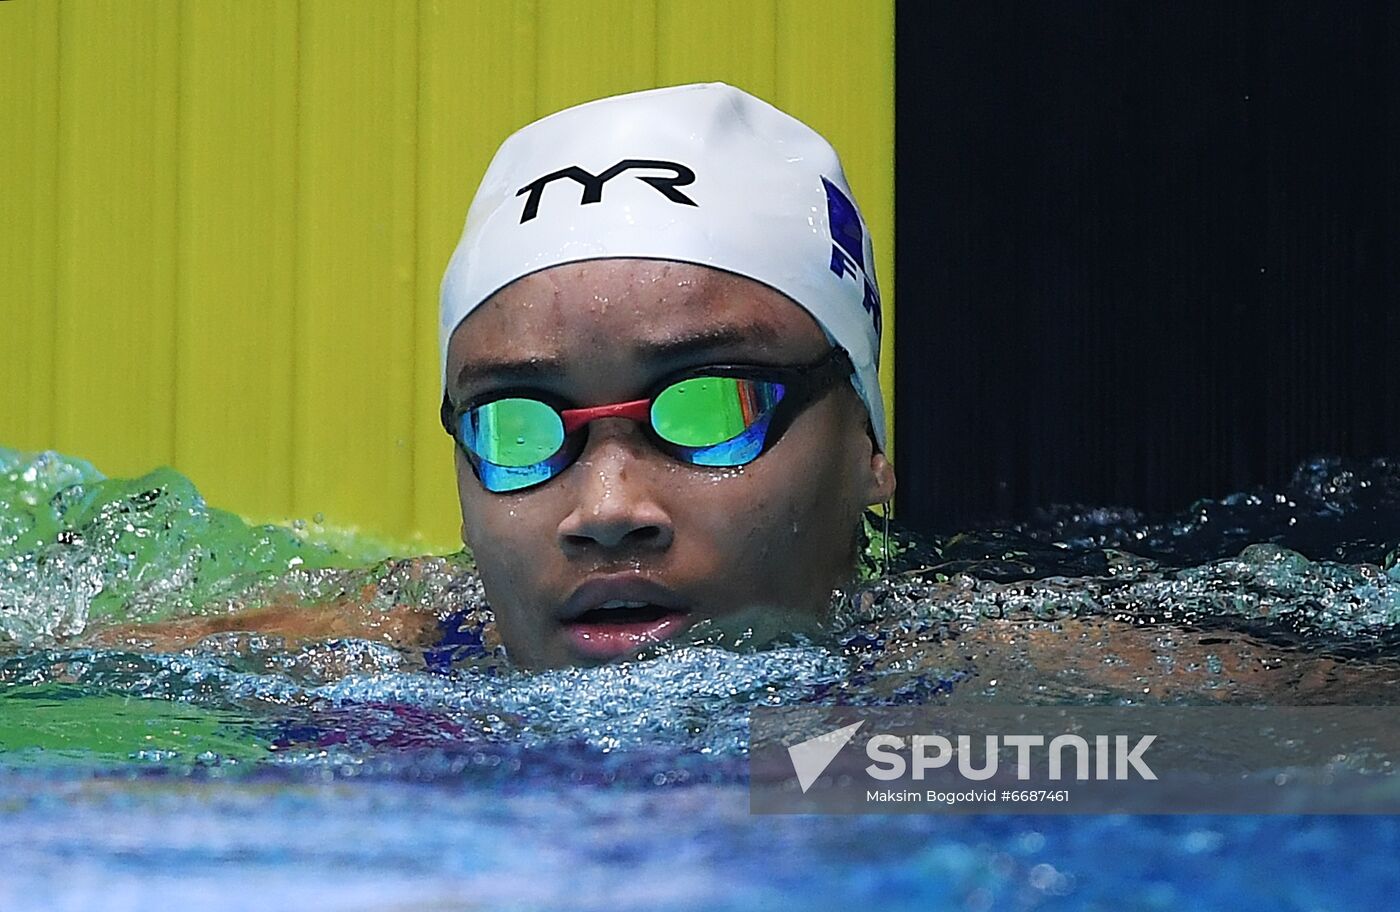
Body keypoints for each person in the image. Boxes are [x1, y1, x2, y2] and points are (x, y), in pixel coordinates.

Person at [92, 84, 897, 670]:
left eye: (715, 409)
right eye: (521, 424)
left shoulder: (975, 715)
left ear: (864, 438)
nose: (607, 512)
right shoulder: (337, 670)